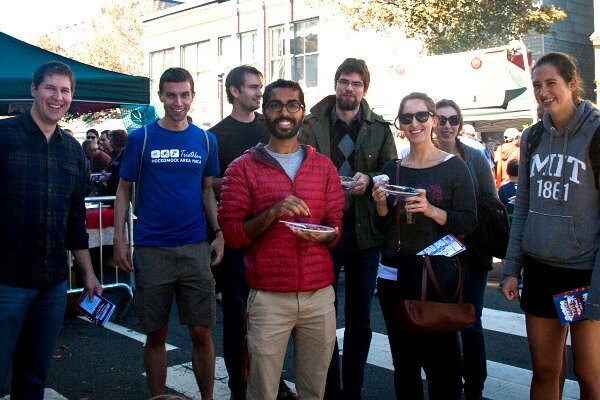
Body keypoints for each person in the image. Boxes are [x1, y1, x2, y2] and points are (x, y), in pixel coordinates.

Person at [218, 79, 344, 400]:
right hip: (268, 297)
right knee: (262, 391)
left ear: (303, 112)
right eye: (275, 105)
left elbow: (335, 228)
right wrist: (274, 212)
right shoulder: (242, 168)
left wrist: (323, 234)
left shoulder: (324, 167)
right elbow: (233, 234)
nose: (284, 112)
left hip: (318, 297)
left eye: (292, 105)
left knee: (315, 391)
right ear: (265, 112)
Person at [113, 67, 224, 399]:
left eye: (184, 94)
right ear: (160, 96)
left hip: (194, 247)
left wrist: (218, 232)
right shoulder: (141, 138)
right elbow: (123, 190)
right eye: (171, 95)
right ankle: (157, 397)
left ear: (192, 96)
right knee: (156, 333)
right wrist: (120, 239)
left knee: (201, 331)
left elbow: (207, 192)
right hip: (152, 248)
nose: (178, 102)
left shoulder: (206, 140)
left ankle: (207, 397)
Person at [0, 60, 102, 399]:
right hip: (6, 282)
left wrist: (88, 273)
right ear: (33, 89)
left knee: (33, 378)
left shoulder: (73, 151)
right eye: (50, 88)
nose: (57, 97)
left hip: (52, 284)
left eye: (65, 90)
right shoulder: (4, 137)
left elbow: (75, 221)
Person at [501, 52, 600, 400]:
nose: (543, 92)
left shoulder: (597, 132)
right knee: (545, 372)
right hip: (541, 269)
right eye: (537, 85)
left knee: (591, 375)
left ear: (572, 84)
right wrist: (512, 268)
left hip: (586, 272)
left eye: (551, 83)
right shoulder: (531, 138)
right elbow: (523, 205)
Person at [299, 57, 397, 400]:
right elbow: (299, 166)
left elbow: (392, 172)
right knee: (322, 318)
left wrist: (370, 179)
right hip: (325, 230)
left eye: (356, 83)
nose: (349, 88)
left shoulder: (380, 129)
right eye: (344, 81)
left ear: (364, 89)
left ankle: (352, 390)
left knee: (359, 320)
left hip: (365, 232)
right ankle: (328, 389)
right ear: (335, 83)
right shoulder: (310, 125)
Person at [372, 92, 477, 400]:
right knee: (404, 365)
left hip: (437, 278)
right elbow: (382, 230)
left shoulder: (454, 167)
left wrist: (431, 210)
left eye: (420, 116)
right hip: (395, 277)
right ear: (400, 125)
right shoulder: (392, 170)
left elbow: (469, 222)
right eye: (406, 118)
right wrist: (380, 205)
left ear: (433, 119)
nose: (414, 124)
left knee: (443, 367)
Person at [209, 66, 294, 400]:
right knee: (236, 318)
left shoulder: (270, 127)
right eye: (253, 87)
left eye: (261, 88)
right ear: (234, 91)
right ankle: (238, 386)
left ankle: (272, 380)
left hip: (274, 238)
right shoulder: (216, 135)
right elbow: (209, 184)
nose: (260, 94)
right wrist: (239, 181)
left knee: (272, 317)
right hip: (236, 239)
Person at [433, 99, 497, 400]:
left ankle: (474, 388)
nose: (447, 125)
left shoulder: (474, 158)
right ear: (433, 121)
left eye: (453, 119)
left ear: (460, 124)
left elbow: (490, 203)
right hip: (435, 254)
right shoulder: (420, 156)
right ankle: (447, 386)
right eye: (441, 119)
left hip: (471, 252)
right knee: (441, 323)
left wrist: (460, 215)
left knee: (471, 322)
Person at [98, 129, 127, 198]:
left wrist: (109, 176)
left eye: (111, 140)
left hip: (120, 190)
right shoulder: (114, 153)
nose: (110, 142)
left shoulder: (127, 154)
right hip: (110, 189)